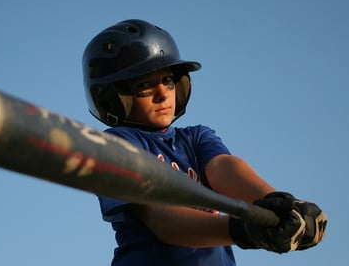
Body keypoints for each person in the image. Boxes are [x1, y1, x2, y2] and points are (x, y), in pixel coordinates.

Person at [82, 19, 327, 266]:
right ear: (113, 99)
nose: (162, 93)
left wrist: (280, 206)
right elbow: (164, 222)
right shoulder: (116, 145)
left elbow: (224, 168)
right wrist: (244, 231)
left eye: (167, 80)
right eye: (145, 85)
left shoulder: (195, 137)